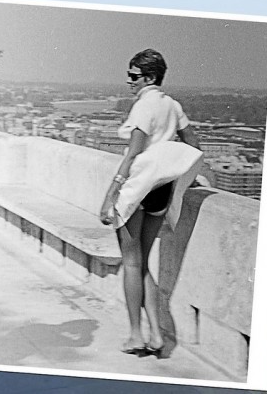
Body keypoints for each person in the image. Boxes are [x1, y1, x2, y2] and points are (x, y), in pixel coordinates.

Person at [99, 49, 200, 358]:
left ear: (149, 78)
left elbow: (132, 154)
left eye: (133, 76)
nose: (129, 82)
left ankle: (135, 335)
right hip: (160, 191)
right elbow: (193, 146)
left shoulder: (144, 107)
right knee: (143, 263)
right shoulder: (173, 105)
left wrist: (110, 196)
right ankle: (157, 335)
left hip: (137, 188)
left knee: (131, 263)